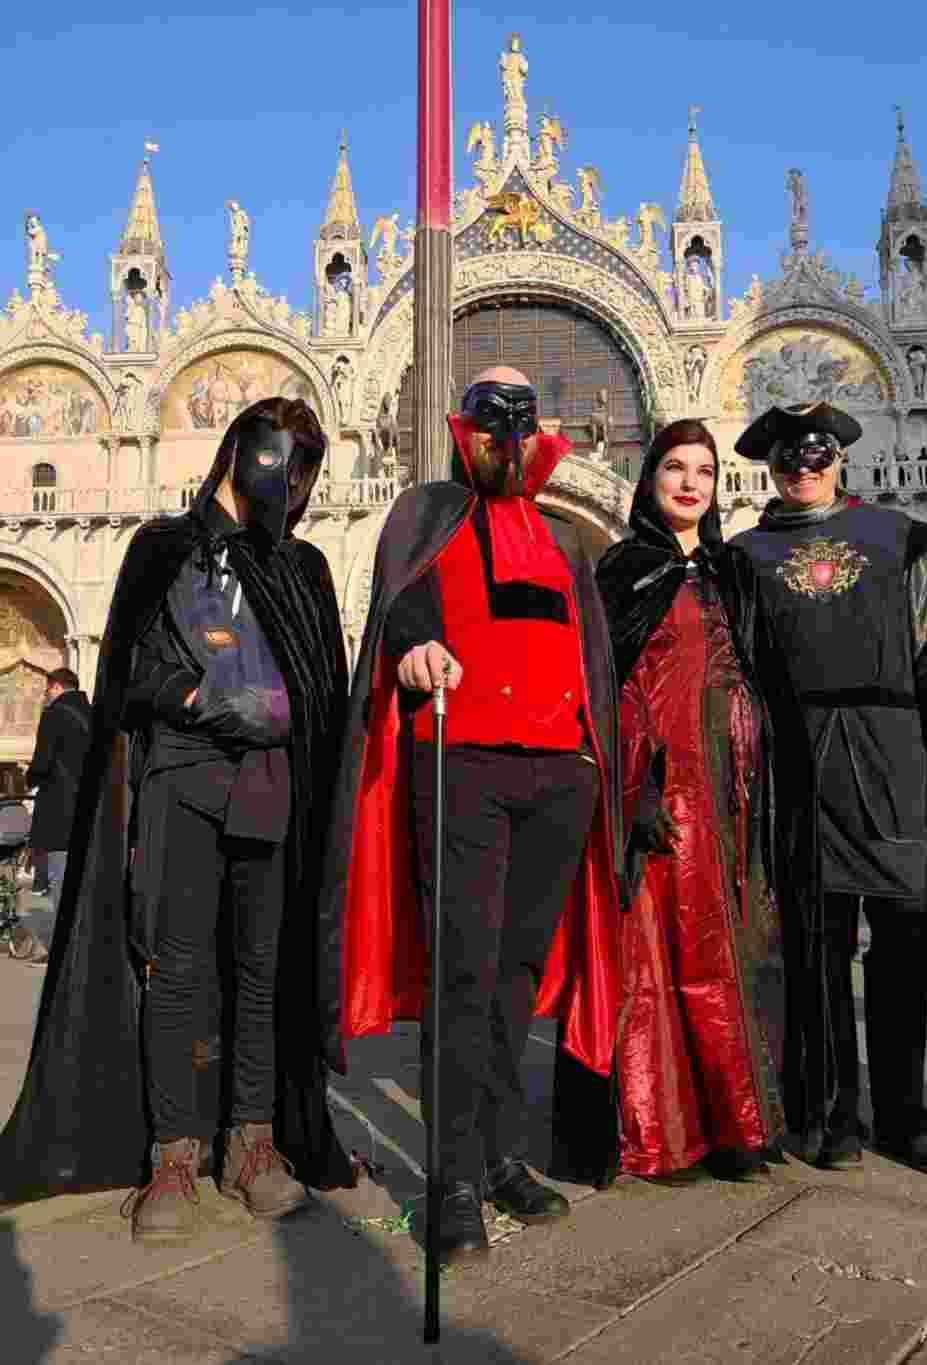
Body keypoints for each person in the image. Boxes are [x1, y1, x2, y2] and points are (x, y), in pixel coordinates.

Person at [0, 397, 360, 1237]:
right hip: (178, 782)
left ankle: (254, 1145)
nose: (290, 476)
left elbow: (316, 692)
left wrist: (272, 709)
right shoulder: (161, 549)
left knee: (264, 969)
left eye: (307, 463)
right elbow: (128, 679)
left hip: (271, 787)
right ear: (237, 450)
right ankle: (173, 1152)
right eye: (279, 454)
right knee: (179, 968)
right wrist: (204, 696)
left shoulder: (302, 566)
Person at [319, 365, 621, 1266]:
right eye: (489, 414)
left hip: (558, 776)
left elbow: (594, 654)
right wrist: (413, 650)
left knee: (517, 978)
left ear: (538, 433)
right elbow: (399, 610)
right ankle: (447, 1175)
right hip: (461, 763)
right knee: (462, 971)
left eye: (521, 416)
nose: (505, 431)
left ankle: (497, 1156)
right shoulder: (424, 514)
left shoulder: (568, 540)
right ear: (463, 428)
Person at [548, 420, 785, 1190]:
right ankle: (657, 1133)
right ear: (649, 478)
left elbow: (757, 676)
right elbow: (601, 686)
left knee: (724, 958)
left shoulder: (732, 573)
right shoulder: (623, 571)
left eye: (705, 471)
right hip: (652, 793)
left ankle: (731, 1122)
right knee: (652, 961)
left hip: (728, 794)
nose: (690, 483)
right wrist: (634, 780)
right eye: (675, 468)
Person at [733, 401, 927, 1175]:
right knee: (816, 946)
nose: (805, 464)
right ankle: (830, 1112)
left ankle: (903, 1110)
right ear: (769, 465)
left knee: (901, 941)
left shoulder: (898, 541)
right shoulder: (746, 555)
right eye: (790, 455)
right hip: (796, 763)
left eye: (819, 450)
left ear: (840, 457)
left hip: (889, 751)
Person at [11, 668, 91, 963]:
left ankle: (62, 952)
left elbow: (43, 762)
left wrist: (29, 779)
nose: (46, 697)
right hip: (89, 813)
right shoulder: (93, 713)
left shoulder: (56, 714)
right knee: (82, 881)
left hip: (60, 813)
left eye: (46, 691)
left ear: (55, 687)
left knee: (60, 880)